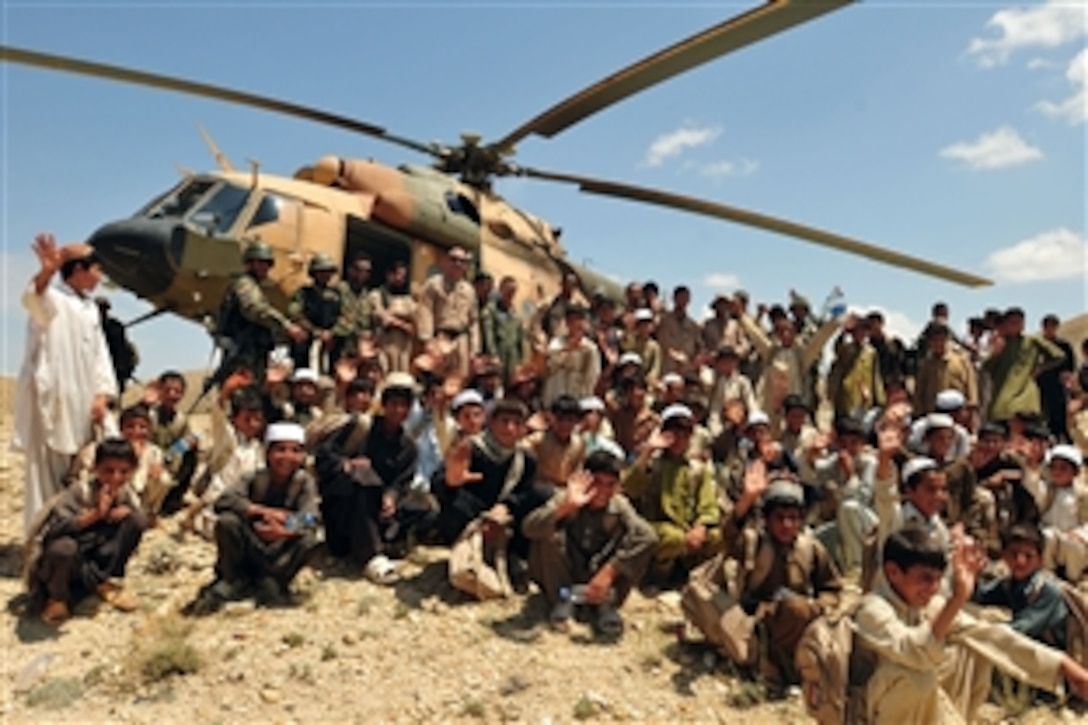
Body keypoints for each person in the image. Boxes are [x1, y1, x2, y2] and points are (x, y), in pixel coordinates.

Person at [852, 526, 1088, 724]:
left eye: (938, 579)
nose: (933, 589)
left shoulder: (928, 604)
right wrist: (957, 599)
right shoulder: (873, 609)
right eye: (925, 579)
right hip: (875, 710)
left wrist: (1064, 667)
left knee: (977, 646)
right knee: (917, 676)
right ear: (893, 573)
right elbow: (915, 653)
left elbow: (991, 636)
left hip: (922, 701)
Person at [15, 234, 117, 536]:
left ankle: (75, 538)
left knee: (80, 471)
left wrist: (102, 394)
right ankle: (42, 541)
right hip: (54, 401)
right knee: (46, 477)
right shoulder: (54, 298)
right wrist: (46, 270)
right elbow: (33, 298)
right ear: (79, 270)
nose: (101, 277)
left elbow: (100, 355)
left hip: (83, 403)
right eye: (97, 269)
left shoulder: (90, 309)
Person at [723, 469, 842, 695]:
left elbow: (832, 588)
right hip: (757, 624)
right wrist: (747, 499)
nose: (787, 525)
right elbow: (729, 536)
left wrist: (817, 607)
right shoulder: (754, 543)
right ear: (766, 519)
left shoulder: (810, 548)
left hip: (800, 620)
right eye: (779, 518)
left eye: (794, 518)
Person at [523, 450, 658, 637]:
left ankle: (605, 603)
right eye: (597, 483)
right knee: (549, 534)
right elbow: (529, 528)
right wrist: (565, 508)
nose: (602, 491)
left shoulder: (619, 505)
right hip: (566, 575)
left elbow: (647, 536)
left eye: (609, 485)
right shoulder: (567, 498)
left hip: (601, 576)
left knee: (636, 538)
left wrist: (611, 571)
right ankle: (564, 602)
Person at [196, 422, 320, 611]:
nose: (288, 457)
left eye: (295, 450)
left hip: (279, 553)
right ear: (267, 453)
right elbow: (224, 501)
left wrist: (284, 530)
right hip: (250, 545)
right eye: (280, 450)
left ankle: (273, 582)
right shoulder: (254, 477)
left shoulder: (304, 482)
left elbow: (311, 518)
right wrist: (262, 511)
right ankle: (233, 579)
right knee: (227, 523)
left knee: (311, 539)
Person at [25, 438, 147, 626]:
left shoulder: (126, 494)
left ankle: (102, 581)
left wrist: (124, 513)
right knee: (64, 548)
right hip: (63, 564)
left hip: (93, 560)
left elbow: (139, 519)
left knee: (136, 521)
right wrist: (94, 516)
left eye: (123, 472)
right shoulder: (78, 492)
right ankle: (57, 598)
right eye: (108, 471)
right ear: (95, 468)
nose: (116, 478)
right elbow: (53, 532)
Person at [313, 373, 419, 584]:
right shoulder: (361, 427)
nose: (398, 411)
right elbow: (323, 456)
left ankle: (386, 540)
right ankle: (372, 556)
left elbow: (401, 481)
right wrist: (346, 464)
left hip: (379, 510)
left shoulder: (408, 446)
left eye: (404, 406)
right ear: (383, 405)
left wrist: (391, 498)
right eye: (394, 404)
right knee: (363, 480)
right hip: (344, 504)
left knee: (424, 506)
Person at [623, 404, 721, 581]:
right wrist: (648, 451)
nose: (680, 439)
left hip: (690, 530)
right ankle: (659, 576)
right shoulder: (652, 464)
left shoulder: (697, 469)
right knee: (672, 538)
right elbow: (630, 488)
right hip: (660, 529)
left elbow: (708, 505)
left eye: (685, 435)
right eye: (675, 433)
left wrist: (700, 527)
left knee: (716, 537)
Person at [214, 241, 307, 383]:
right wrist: (287, 326)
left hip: (255, 352)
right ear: (250, 263)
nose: (265, 268)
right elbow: (255, 309)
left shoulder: (255, 286)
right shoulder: (244, 283)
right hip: (242, 352)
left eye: (267, 264)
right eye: (261, 263)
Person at [973, 523, 1068, 651]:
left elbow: (1022, 628)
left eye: (1028, 556)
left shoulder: (1047, 590)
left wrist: (982, 633)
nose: (1020, 561)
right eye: (1013, 554)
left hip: (1052, 655)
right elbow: (981, 597)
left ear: (1040, 560)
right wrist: (973, 575)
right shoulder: (1009, 583)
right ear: (1004, 556)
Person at [985, 307, 1066, 423]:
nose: (1016, 325)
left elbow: (1059, 356)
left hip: (1025, 394)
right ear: (1006, 324)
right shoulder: (1001, 342)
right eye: (1012, 322)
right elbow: (987, 367)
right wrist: (995, 352)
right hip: (1002, 396)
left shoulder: (1032, 340)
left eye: (1020, 322)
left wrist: (1041, 368)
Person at [416, 246, 480, 380]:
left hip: (462, 340)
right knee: (438, 379)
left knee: (459, 379)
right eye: (454, 260)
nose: (458, 264)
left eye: (462, 261)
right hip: (441, 337)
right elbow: (425, 311)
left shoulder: (469, 290)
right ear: (446, 262)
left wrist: (475, 348)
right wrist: (427, 340)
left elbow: (474, 321)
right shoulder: (433, 284)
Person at [287, 253, 345, 373]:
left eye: (328, 272)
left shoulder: (337, 295)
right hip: (306, 342)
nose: (325, 275)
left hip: (330, 345)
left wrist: (332, 333)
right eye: (321, 271)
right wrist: (315, 331)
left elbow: (345, 318)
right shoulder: (303, 293)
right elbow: (295, 313)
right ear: (314, 273)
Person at [522, 395, 587, 497]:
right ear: (551, 418)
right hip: (540, 490)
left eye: (570, 420)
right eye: (560, 419)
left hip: (566, 491)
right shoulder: (537, 440)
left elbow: (577, 471)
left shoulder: (579, 443)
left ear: (576, 421)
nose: (565, 424)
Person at [370, 260, 417, 374]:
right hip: (385, 345)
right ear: (389, 275)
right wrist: (403, 324)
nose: (400, 279)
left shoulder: (408, 299)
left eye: (403, 276)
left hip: (404, 349)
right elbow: (382, 317)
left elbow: (416, 319)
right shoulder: (377, 295)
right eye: (398, 275)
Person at [481, 275, 527, 385]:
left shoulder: (516, 314)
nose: (510, 294)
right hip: (498, 355)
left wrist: (522, 361)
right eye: (508, 291)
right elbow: (489, 334)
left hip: (513, 358)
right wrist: (493, 355)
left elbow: (521, 339)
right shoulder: (491, 310)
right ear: (501, 290)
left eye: (513, 291)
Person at [1037, 314, 1075, 442]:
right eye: (1047, 326)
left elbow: (1070, 365)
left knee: (1061, 412)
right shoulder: (1038, 345)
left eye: (1053, 326)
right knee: (1044, 414)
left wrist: (1068, 379)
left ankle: (1065, 439)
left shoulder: (1063, 345)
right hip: (1041, 384)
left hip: (1059, 384)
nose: (1050, 329)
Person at [655, 285, 703, 376]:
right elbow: (662, 342)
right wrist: (674, 355)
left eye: (685, 298)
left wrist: (696, 360)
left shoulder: (693, 325)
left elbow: (698, 345)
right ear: (674, 298)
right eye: (680, 297)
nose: (683, 301)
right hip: (668, 367)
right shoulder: (664, 321)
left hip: (687, 368)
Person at [96, 296, 138, 398]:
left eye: (103, 309)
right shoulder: (89, 325)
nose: (101, 312)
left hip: (114, 372)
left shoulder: (116, 327)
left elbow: (123, 350)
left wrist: (123, 371)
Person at [336, 254, 375, 361]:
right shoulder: (338, 291)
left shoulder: (368, 296)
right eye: (360, 270)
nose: (363, 274)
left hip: (359, 350)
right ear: (350, 270)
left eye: (368, 271)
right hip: (339, 344)